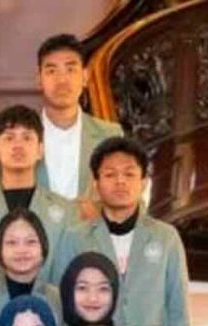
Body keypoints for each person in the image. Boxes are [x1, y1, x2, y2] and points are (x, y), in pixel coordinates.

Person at [61, 137, 191, 326]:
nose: (120, 181)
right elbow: (64, 305)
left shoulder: (166, 237)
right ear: (96, 184)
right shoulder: (75, 237)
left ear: (144, 182)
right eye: (110, 174)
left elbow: (178, 306)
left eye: (129, 174)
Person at [0, 105, 78, 284]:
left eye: (27, 138)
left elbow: (69, 275)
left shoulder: (67, 212)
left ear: (40, 150)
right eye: (9, 138)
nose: (18, 146)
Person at [36, 34, 122, 210]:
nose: (62, 80)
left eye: (70, 69)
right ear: (39, 80)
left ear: (85, 77)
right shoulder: (18, 137)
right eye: (52, 71)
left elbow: (128, 199)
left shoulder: (110, 136)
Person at [0, 208, 62, 326]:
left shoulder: (59, 299)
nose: (21, 250)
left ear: (43, 246)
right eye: (12, 242)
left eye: (30, 241)